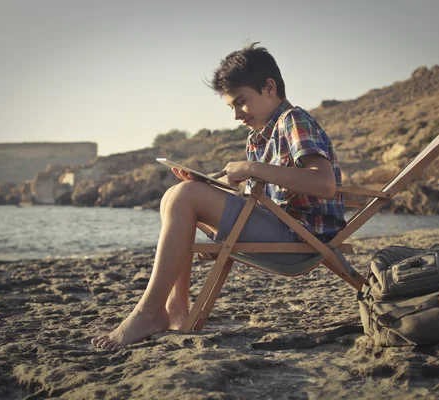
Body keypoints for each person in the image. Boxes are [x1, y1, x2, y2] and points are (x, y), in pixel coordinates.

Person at [92, 43, 345, 350]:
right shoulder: (259, 136)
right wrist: (211, 186)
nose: (237, 115)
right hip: (281, 227)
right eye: (231, 107)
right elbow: (259, 197)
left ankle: (148, 312)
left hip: (302, 239)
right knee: (175, 195)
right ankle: (174, 310)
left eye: (241, 102)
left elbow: (324, 184)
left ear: (269, 87)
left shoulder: (294, 120)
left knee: (185, 197)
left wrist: (253, 168)